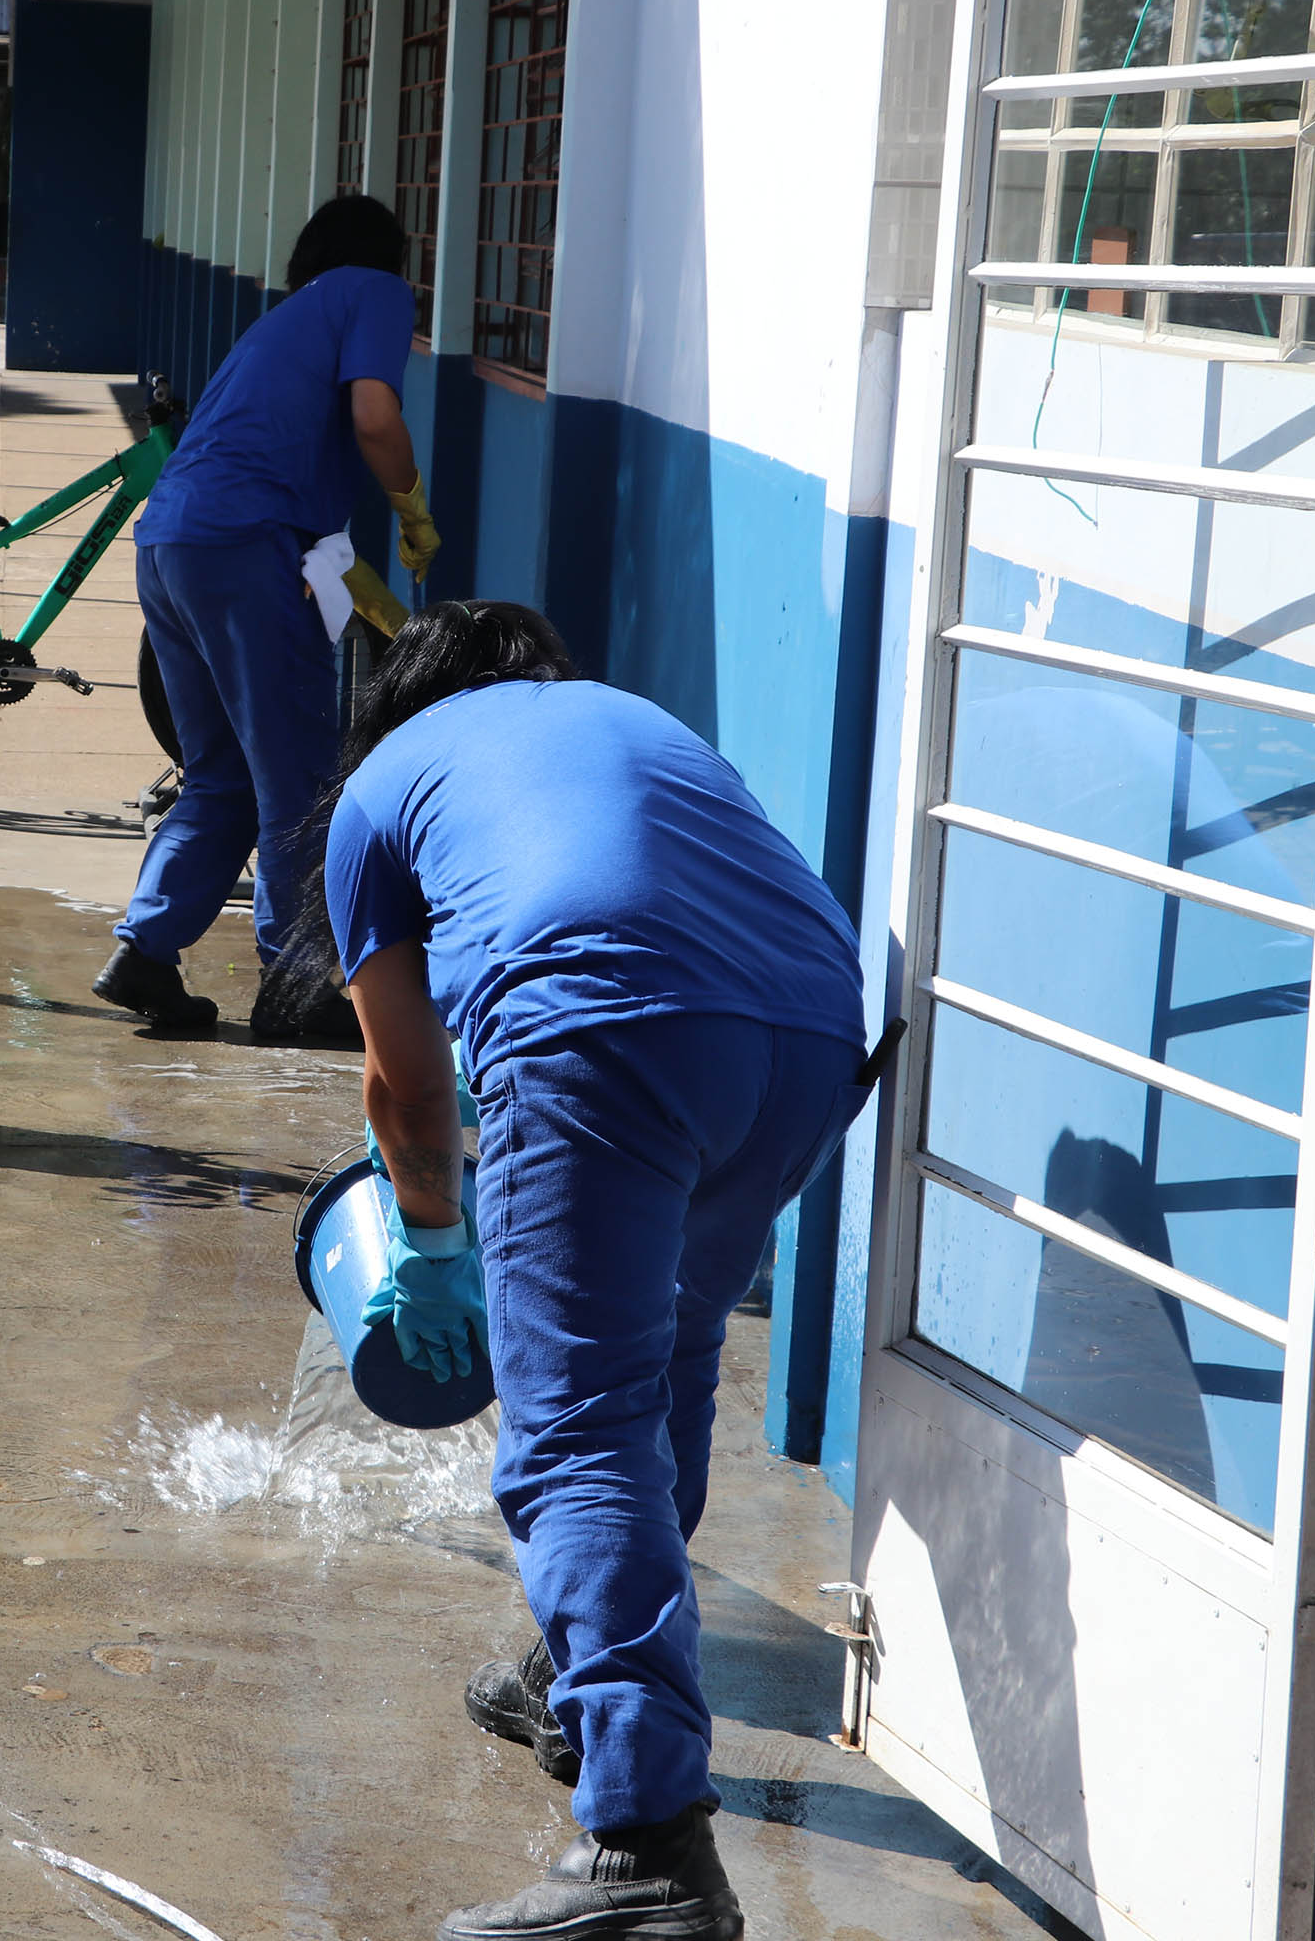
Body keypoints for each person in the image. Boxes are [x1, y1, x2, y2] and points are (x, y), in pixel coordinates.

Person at [315, 603, 871, 1941]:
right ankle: (590, 1692)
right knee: (667, 1359)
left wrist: (431, 1246)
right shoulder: (631, 719)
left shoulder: (379, 789)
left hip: (603, 1024)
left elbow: (406, 1082)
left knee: (575, 1429)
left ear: (395, 703)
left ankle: (646, 1847)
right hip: (811, 1032)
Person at [91, 193, 443, 1043]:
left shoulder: (287, 321)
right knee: (300, 780)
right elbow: (375, 416)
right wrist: (411, 504)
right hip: (246, 546)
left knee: (221, 773)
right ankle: (296, 985)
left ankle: (146, 950)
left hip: (170, 544)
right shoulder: (373, 290)